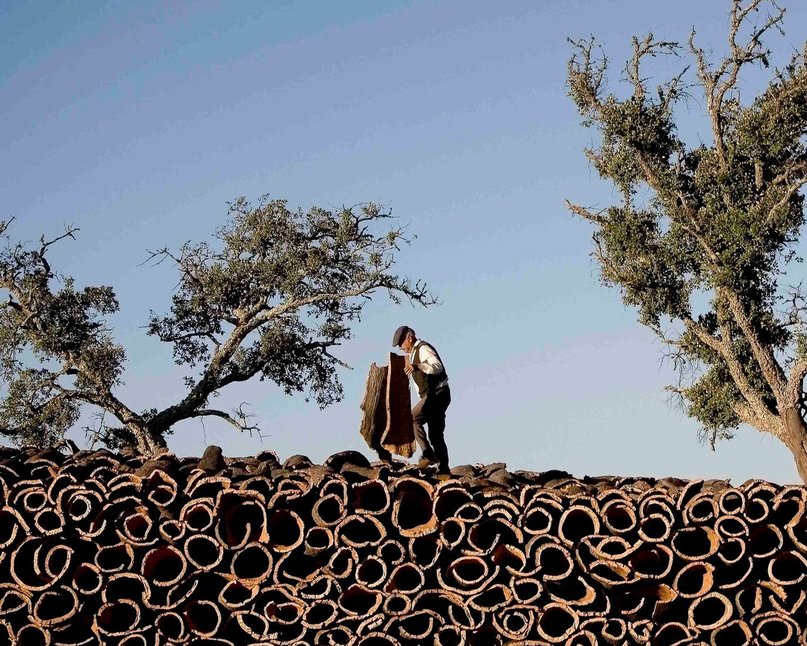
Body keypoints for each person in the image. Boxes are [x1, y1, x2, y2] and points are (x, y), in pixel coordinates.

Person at [392, 325, 451, 474]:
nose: (401, 348)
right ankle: (444, 470)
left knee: (412, 418)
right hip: (437, 395)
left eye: (401, 344)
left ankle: (428, 454)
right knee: (436, 435)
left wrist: (418, 366)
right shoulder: (411, 355)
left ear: (409, 338)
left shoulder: (423, 349)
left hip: (437, 394)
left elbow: (437, 367)